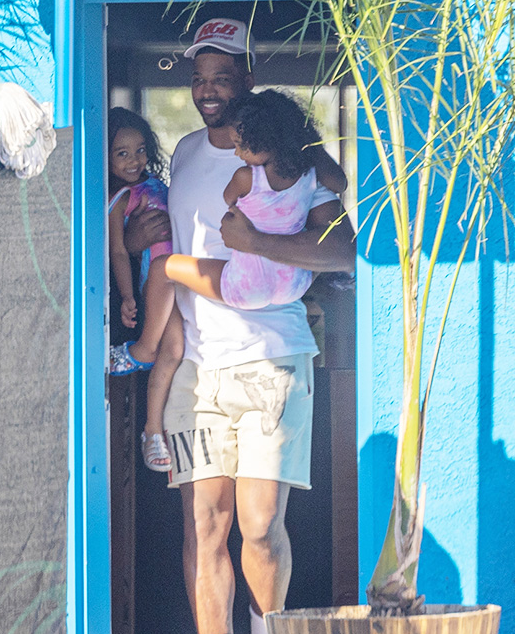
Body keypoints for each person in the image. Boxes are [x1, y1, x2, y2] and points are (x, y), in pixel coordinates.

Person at [125, 18, 356, 634]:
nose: (207, 90)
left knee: (260, 529)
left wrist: (259, 243)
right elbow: (157, 238)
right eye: (199, 78)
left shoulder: (295, 157)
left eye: (222, 77)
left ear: (248, 79)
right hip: (197, 365)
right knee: (205, 529)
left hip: (271, 359)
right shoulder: (188, 154)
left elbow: (341, 248)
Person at [108, 88, 347, 420]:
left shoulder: (246, 176)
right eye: (199, 78)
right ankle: (152, 414)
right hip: (290, 285)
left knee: (166, 267)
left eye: (240, 145)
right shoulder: (307, 174)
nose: (237, 153)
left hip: (252, 304)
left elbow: (230, 200)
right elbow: (340, 181)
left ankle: (143, 349)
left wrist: (253, 239)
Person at [107, 107, 183, 472]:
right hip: (157, 279)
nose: (134, 160)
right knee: (162, 270)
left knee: (177, 349)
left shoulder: (155, 185)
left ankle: (152, 429)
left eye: (139, 150)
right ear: (106, 157)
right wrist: (126, 297)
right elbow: (119, 251)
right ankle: (140, 349)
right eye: (122, 153)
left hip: (181, 281)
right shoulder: (118, 198)